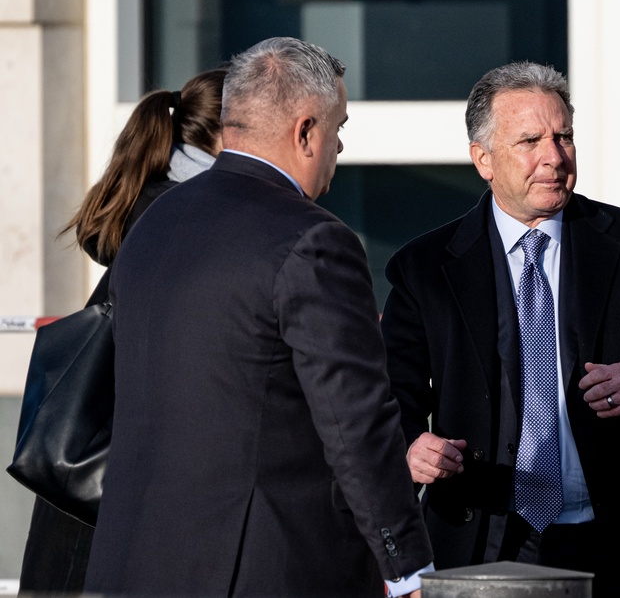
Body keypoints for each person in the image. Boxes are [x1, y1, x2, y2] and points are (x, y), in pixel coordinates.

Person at [380, 61, 620, 598]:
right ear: (483, 158)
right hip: (483, 537)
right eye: (530, 141)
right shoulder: (426, 268)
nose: (554, 157)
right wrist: (411, 448)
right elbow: (390, 397)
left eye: (564, 137)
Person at [84, 37, 432, 597]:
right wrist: (407, 567)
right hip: (265, 571)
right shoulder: (313, 240)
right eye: (338, 129)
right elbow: (356, 425)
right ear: (305, 132)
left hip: (134, 566)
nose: (339, 148)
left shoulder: (152, 224)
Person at [17, 67, 225, 594]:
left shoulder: (155, 204)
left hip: (84, 500)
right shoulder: (186, 220)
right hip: (122, 497)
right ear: (229, 134)